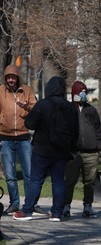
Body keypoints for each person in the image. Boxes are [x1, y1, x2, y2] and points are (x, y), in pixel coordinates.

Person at [13, 76, 79, 222]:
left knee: (36, 181)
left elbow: (30, 124)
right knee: (58, 181)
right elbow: (76, 132)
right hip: (62, 151)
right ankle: (56, 213)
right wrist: (72, 150)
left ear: (49, 88)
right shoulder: (70, 108)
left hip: (42, 149)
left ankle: (27, 210)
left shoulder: (43, 104)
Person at [0, 65, 44, 215]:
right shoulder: (1, 91)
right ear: (5, 79)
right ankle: (14, 203)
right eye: (8, 77)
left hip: (24, 137)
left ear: (17, 78)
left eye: (13, 77)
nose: (11, 80)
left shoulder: (27, 90)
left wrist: (27, 107)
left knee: (30, 174)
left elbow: (37, 108)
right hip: (5, 139)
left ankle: (32, 203)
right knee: (10, 175)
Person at [63, 80, 101, 218]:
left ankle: (88, 206)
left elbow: (98, 130)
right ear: (74, 93)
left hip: (91, 153)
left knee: (90, 182)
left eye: (85, 92)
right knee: (69, 181)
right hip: (73, 154)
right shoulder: (68, 109)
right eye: (80, 92)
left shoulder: (91, 110)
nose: (83, 95)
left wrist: (99, 145)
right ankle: (66, 206)